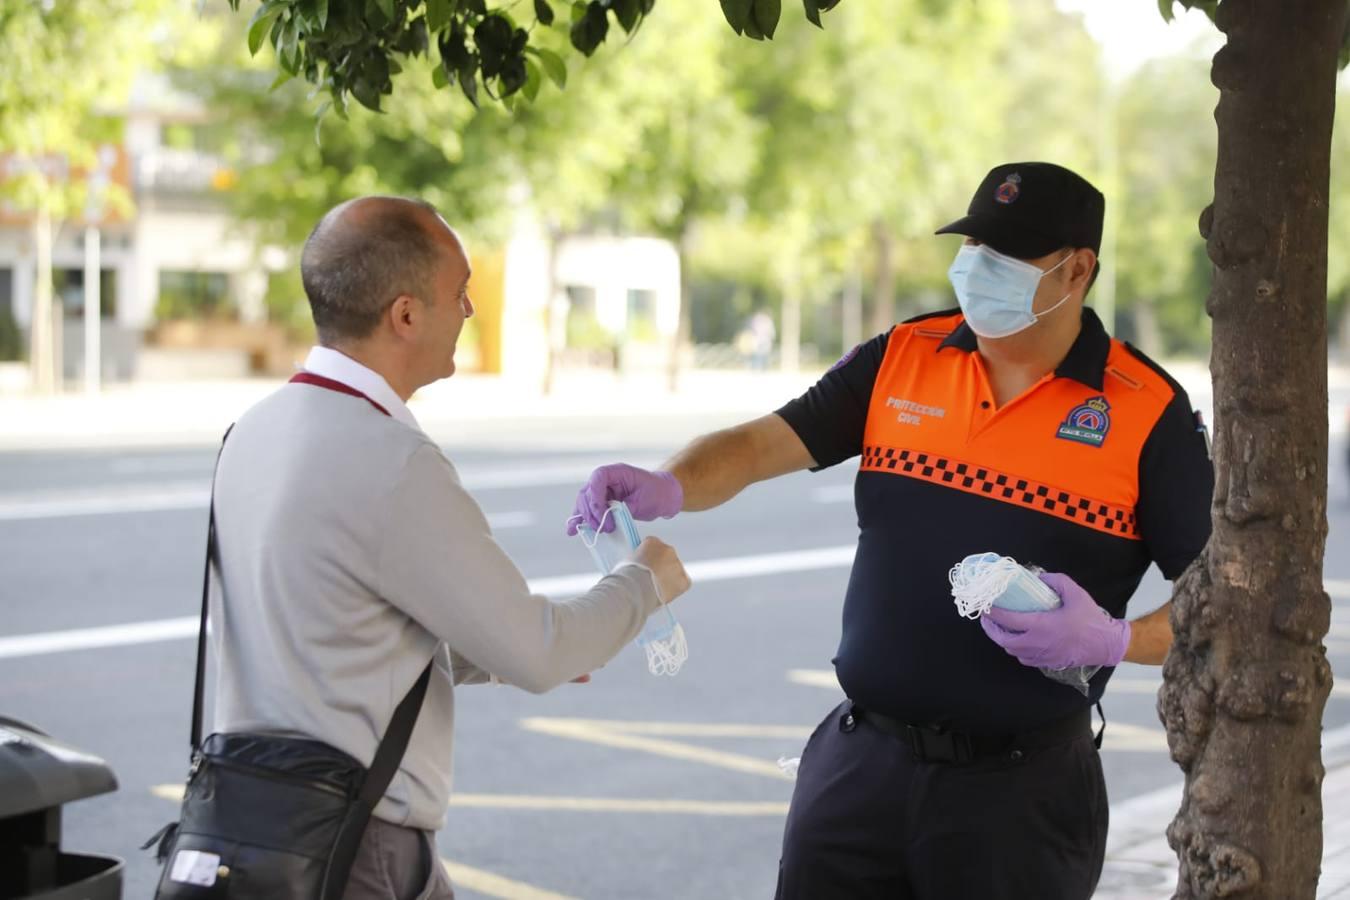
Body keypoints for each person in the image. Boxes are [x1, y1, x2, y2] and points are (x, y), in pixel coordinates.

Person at [567, 162, 1214, 900]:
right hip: (860, 768)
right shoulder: (903, 357)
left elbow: (1222, 600)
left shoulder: (1147, 411)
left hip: (1022, 796)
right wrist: (669, 483)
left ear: (1077, 269)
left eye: (1006, 256)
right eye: (974, 247)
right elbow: (758, 444)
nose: (977, 269)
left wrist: (1116, 641)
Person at [211, 196, 691, 900]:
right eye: (459, 292)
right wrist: (645, 580)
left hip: (252, 826)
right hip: (356, 847)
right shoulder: (392, 458)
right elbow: (540, 652)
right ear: (405, 315)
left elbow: (329, 629)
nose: (470, 311)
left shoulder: (251, 431)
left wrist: (494, 647)